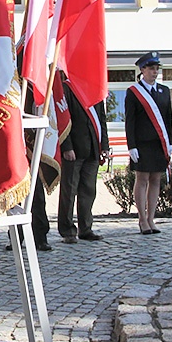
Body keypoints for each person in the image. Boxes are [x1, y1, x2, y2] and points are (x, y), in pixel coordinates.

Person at [125, 52, 172, 235]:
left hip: (159, 143)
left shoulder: (164, 90)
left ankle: (151, 218)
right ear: (142, 70)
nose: (155, 72)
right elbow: (129, 121)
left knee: (156, 179)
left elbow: (168, 118)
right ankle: (142, 219)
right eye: (151, 68)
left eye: (156, 69)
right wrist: (132, 145)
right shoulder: (134, 92)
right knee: (142, 179)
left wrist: (170, 140)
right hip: (142, 143)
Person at [57, 73, 109, 244]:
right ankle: (67, 230)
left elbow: (101, 120)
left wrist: (104, 146)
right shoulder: (68, 88)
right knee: (69, 192)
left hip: (93, 148)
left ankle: (85, 228)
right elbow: (63, 119)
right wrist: (67, 146)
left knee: (88, 191)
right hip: (74, 149)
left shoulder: (95, 90)